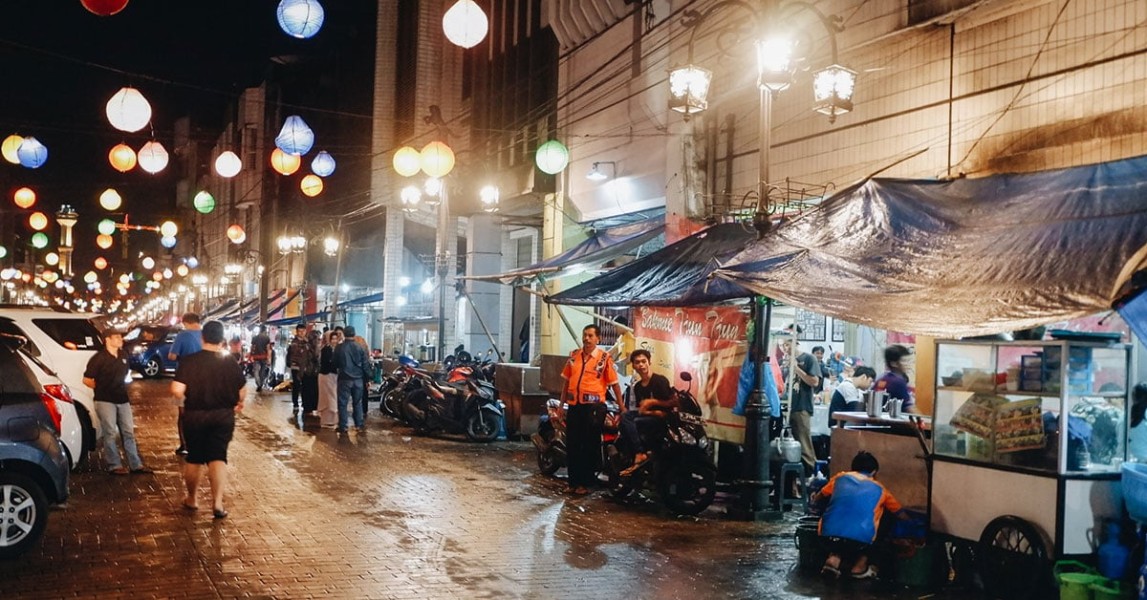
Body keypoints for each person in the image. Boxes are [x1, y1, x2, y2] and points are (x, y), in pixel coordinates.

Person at [171, 320, 246, 519]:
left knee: (195, 457)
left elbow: (177, 390)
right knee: (218, 457)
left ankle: (192, 498)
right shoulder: (229, 361)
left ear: (202, 337)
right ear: (222, 339)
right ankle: (218, 504)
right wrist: (238, 402)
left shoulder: (189, 361)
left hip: (195, 415)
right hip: (223, 415)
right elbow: (242, 391)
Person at [814, 451, 904, 579]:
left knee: (834, 506)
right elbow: (901, 514)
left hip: (826, 537)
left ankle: (834, 558)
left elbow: (819, 497)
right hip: (859, 543)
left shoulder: (840, 478)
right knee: (887, 516)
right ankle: (860, 566)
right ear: (874, 472)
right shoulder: (880, 489)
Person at [560, 324, 622, 495]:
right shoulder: (574, 356)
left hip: (594, 409)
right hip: (575, 407)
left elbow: (614, 385)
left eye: (590, 335)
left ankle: (585, 484)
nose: (586, 338)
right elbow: (566, 382)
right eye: (584, 335)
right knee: (572, 445)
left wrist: (622, 406)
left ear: (598, 339)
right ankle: (573, 482)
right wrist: (561, 406)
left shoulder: (604, 359)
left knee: (588, 446)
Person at [83, 326, 151, 475]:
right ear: (107, 340)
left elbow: (126, 374)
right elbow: (87, 379)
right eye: (117, 337)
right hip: (105, 399)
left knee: (128, 431)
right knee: (110, 432)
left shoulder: (123, 355)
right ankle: (114, 464)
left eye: (121, 337)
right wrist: (101, 388)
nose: (120, 339)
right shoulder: (99, 358)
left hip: (122, 398)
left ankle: (135, 464)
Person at [618, 349, 675, 476]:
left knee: (630, 420)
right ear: (633, 365)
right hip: (649, 417)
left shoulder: (660, 381)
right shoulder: (637, 387)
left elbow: (671, 402)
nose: (641, 365)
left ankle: (640, 453)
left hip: (662, 420)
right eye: (637, 362)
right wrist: (649, 411)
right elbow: (642, 410)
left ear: (649, 362)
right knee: (625, 419)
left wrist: (653, 402)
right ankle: (636, 456)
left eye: (644, 361)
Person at [784, 338, 821, 476]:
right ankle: (794, 480)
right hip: (787, 407)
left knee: (804, 445)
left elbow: (814, 381)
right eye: (783, 345)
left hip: (802, 407)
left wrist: (796, 369)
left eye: (788, 344)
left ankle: (811, 476)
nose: (786, 348)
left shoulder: (809, 359)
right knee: (789, 447)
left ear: (796, 342)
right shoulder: (784, 361)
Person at [168, 312, 203, 456]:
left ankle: (185, 444)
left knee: (183, 414)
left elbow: (171, 356)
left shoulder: (182, 335)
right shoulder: (206, 335)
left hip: (183, 378)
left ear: (185, 322)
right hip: (203, 379)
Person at [334, 325, 370, 435]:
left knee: (342, 403)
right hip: (358, 380)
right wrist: (367, 379)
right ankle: (358, 425)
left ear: (344, 334)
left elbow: (335, 362)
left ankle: (343, 426)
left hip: (344, 379)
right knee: (357, 403)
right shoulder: (360, 347)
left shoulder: (339, 348)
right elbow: (365, 365)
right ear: (354, 334)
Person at [286, 323, 317, 415]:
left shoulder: (308, 342)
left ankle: (305, 404)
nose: (301, 333)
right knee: (296, 385)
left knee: (305, 386)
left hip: (306, 368)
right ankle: (295, 404)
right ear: (297, 332)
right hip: (296, 367)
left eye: (303, 331)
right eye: (300, 331)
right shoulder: (294, 343)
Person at [874, 344, 915, 413]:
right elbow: (909, 408)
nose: (908, 364)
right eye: (905, 361)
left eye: (909, 361)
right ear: (894, 364)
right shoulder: (898, 382)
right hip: (893, 421)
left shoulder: (882, 378)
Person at [317, 329, 342, 428]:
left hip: (334, 377)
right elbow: (326, 364)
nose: (334, 341)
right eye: (332, 339)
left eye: (336, 338)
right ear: (329, 339)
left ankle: (333, 420)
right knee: (327, 398)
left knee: (333, 397)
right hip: (326, 376)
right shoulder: (326, 350)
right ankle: (326, 421)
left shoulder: (338, 349)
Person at [249, 325, 273, 392]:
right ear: (265, 330)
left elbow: (252, 347)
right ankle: (261, 384)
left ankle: (258, 384)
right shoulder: (267, 338)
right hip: (264, 357)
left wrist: (250, 355)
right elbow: (268, 349)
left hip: (256, 357)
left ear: (259, 330)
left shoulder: (254, 338)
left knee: (256, 371)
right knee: (262, 372)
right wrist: (269, 358)